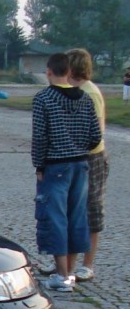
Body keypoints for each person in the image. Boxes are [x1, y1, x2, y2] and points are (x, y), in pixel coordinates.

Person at [32, 52, 102, 292]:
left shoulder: (44, 99)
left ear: (49, 72)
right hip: (81, 164)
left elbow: (40, 136)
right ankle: (70, 272)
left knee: (55, 218)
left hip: (55, 165)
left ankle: (61, 276)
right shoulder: (85, 98)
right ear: (69, 72)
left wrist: (39, 165)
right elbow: (96, 136)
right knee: (76, 217)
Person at [64, 48, 107, 282]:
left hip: (91, 158)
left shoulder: (90, 93)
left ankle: (87, 264)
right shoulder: (69, 91)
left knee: (91, 210)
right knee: (67, 209)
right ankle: (64, 262)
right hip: (71, 157)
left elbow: (97, 131)